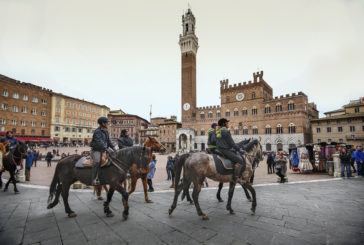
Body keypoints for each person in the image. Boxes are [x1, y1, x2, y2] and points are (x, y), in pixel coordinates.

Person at [90, 117, 116, 185]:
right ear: (103, 123)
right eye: (107, 122)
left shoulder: (106, 131)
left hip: (104, 149)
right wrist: (106, 149)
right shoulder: (97, 131)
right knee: (97, 162)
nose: (108, 123)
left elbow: (108, 140)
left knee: (114, 157)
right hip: (97, 150)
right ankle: (93, 179)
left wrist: (113, 148)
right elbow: (99, 142)